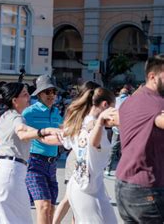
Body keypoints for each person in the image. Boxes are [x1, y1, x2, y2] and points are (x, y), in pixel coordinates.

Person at [0, 82, 59, 224]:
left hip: (1, 168)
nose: (28, 97)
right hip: (12, 171)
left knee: (0, 216)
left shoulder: (5, 115)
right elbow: (22, 132)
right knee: (16, 218)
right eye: (25, 94)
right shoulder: (18, 118)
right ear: (14, 100)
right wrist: (43, 131)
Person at [56, 87, 118, 223]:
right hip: (87, 188)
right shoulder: (94, 126)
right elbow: (93, 143)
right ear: (105, 105)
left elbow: (65, 141)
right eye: (113, 108)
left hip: (84, 183)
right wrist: (100, 121)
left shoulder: (79, 122)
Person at [115, 55, 164, 223]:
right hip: (147, 187)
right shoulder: (158, 103)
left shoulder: (130, 101)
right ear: (152, 77)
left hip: (123, 185)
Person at [23, 74, 63, 224]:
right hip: (34, 162)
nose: (51, 95)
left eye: (54, 92)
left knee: (51, 208)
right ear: (39, 94)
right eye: (48, 92)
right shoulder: (29, 112)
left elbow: (64, 130)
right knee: (44, 206)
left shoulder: (56, 112)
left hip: (52, 165)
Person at [104, 86, 129, 176]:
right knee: (126, 149)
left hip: (116, 128)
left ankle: (108, 168)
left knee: (113, 148)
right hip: (127, 129)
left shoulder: (115, 100)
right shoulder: (131, 100)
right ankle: (125, 170)